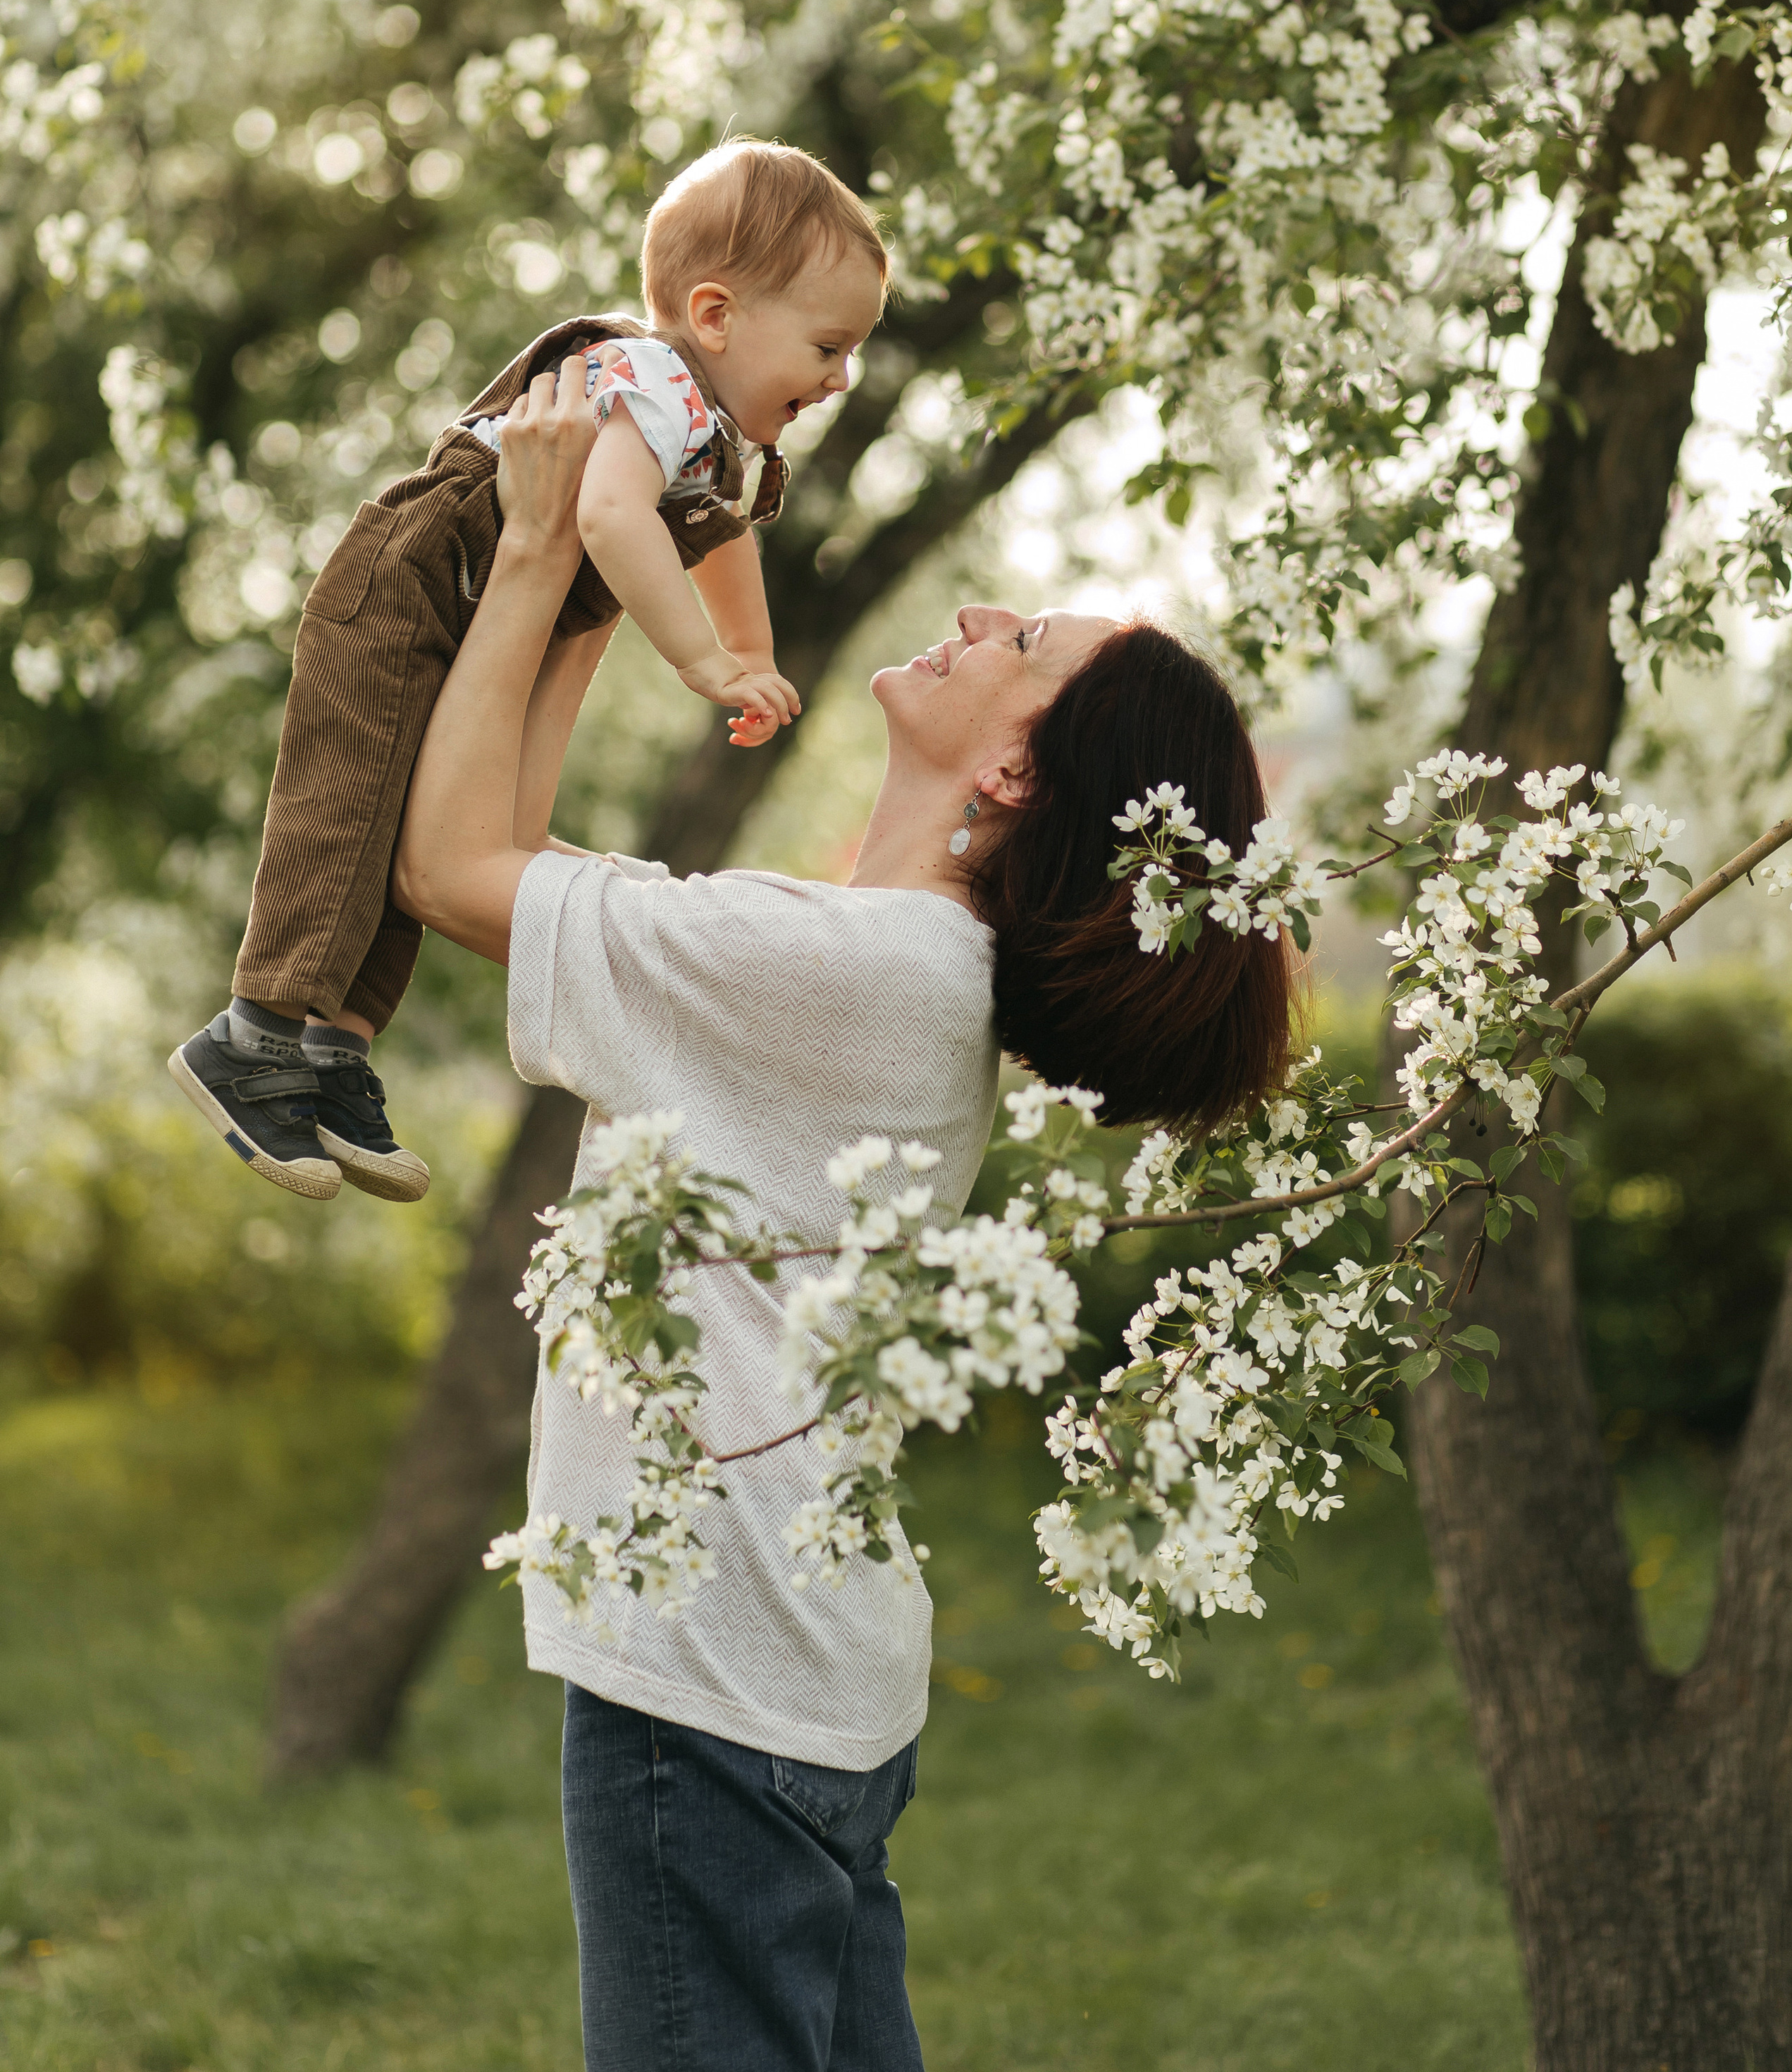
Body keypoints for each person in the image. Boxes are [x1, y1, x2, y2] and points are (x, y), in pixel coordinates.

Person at [390, 350, 1294, 2072]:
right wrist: (592, 550)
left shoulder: (854, 971)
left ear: (1019, 771)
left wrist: (530, 558)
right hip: (798, 1672)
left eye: (1023, 645)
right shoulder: (881, 965)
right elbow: (505, 843)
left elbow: (442, 871)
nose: (979, 609)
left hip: (711, 1690)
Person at [167, 139, 886, 1207]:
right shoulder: (653, 380)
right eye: (829, 346)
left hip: (475, 608)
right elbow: (604, 515)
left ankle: (335, 1051)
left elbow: (723, 535)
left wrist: (754, 654)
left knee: (418, 820)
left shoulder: (714, 436)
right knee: (349, 802)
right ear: (719, 315)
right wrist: (699, 659)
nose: (841, 377)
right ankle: (254, 1032)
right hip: (411, 579)